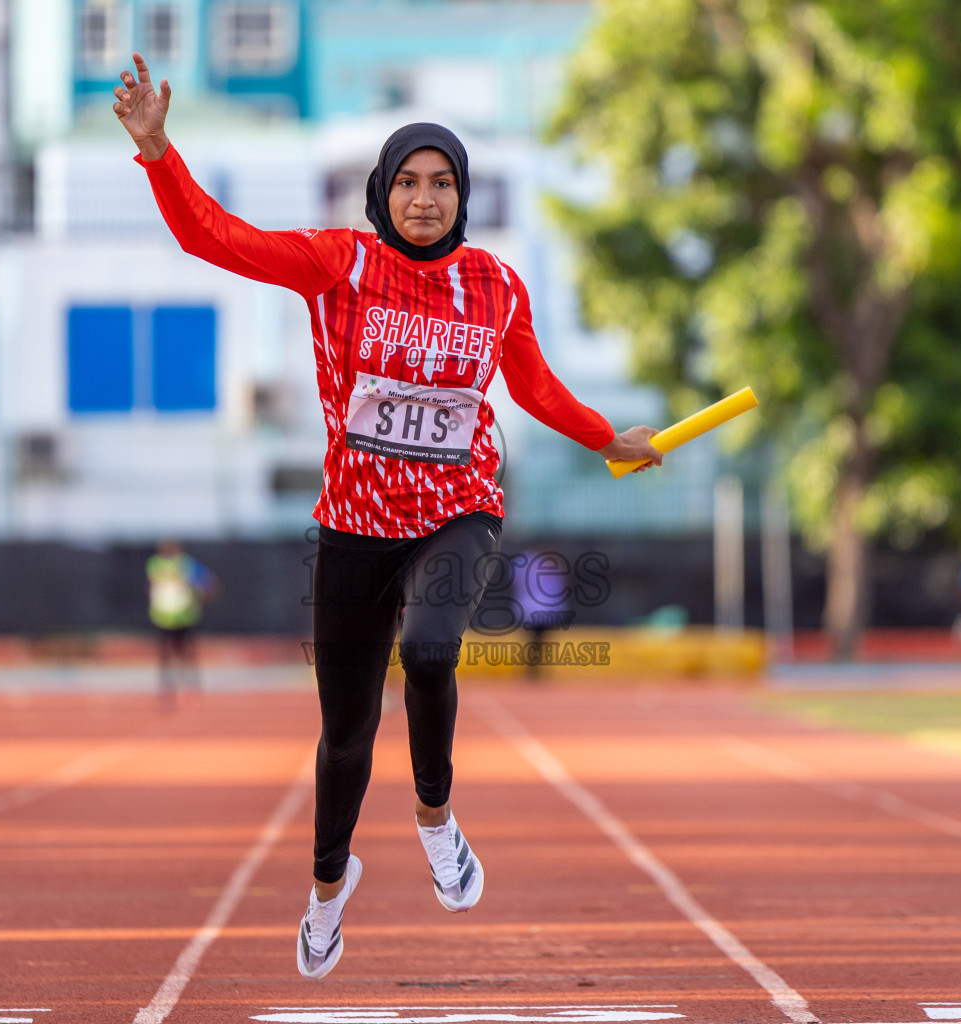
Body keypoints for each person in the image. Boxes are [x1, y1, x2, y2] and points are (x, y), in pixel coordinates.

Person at [113, 53, 662, 980]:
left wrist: (607, 436)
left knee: (436, 649)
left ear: (464, 196)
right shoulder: (339, 263)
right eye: (407, 182)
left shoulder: (496, 285)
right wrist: (159, 149)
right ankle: (329, 889)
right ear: (381, 191)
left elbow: (533, 388)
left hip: (459, 510)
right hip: (356, 526)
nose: (424, 198)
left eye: (442, 182)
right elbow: (218, 239)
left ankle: (437, 820)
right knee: (344, 736)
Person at [147, 539, 216, 701]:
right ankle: (167, 687)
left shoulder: (187, 565)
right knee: (165, 654)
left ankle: (191, 686)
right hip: (162, 616)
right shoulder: (154, 564)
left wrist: (199, 601)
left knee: (186, 652)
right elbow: (152, 586)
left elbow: (208, 584)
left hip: (185, 616)